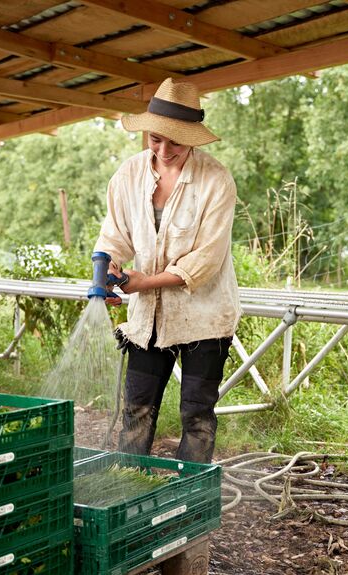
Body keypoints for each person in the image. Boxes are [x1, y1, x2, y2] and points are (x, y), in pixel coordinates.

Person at [93, 77, 241, 463]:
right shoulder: (128, 174)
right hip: (148, 318)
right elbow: (115, 235)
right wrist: (107, 269)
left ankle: (189, 500)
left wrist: (144, 282)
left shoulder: (216, 180)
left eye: (175, 141)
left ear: (193, 136)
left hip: (204, 316)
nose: (164, 149)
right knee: (136, 410)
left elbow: (206, 261)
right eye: (156, 139)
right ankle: (128, 489)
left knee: (196, 415)